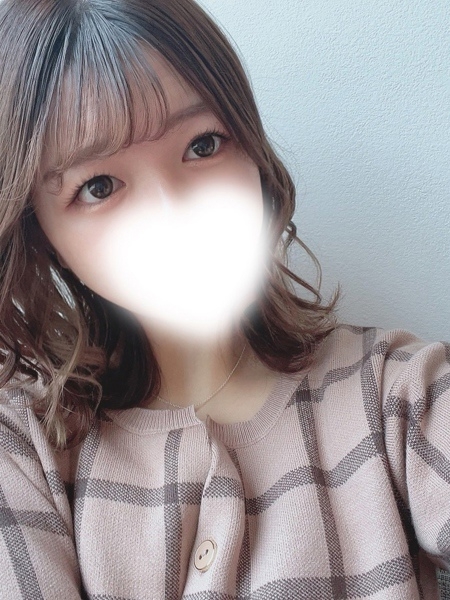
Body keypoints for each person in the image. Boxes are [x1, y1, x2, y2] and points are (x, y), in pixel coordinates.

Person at [0, 1, 448, 599]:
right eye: (99, 186)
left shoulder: (403, 396)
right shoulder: (25, 446)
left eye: (204, 144)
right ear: (42, 234)